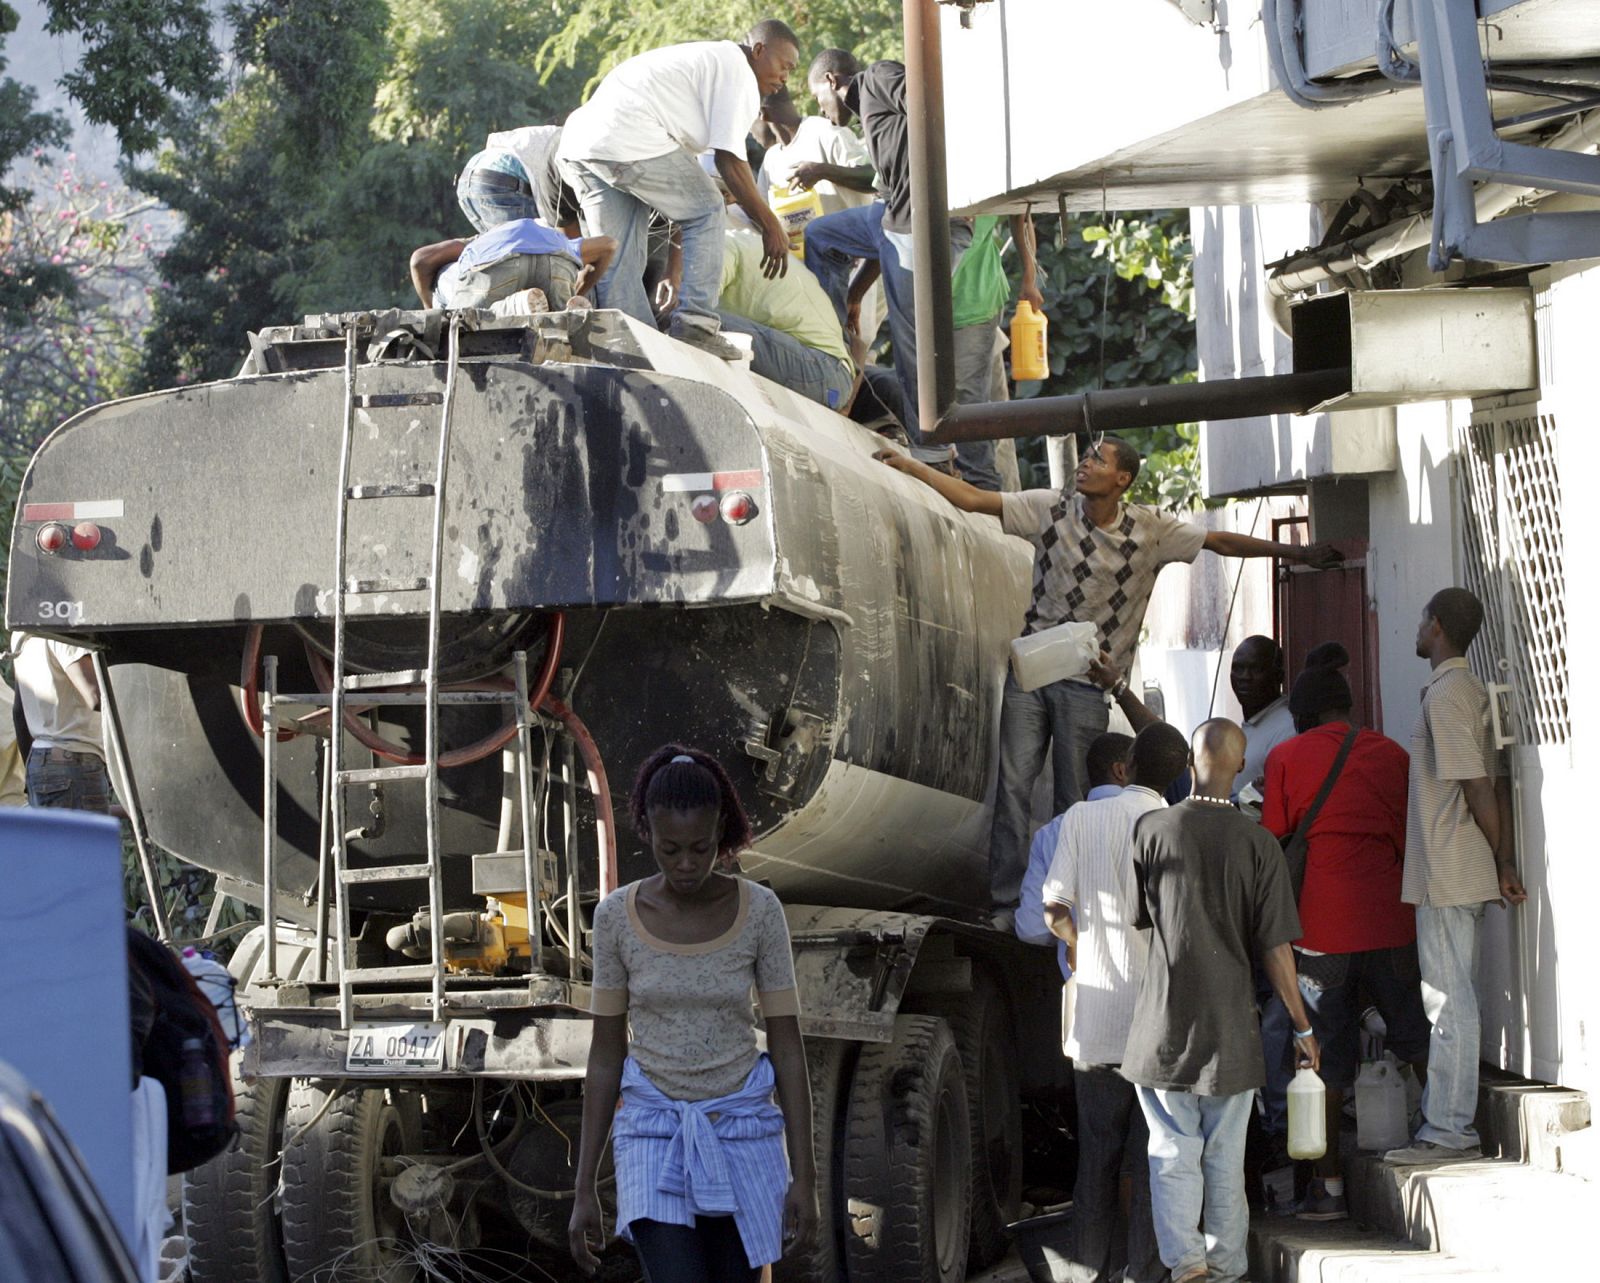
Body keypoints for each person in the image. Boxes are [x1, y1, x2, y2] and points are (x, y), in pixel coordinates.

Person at [874, 434, 1339, 919]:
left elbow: (1220, 541)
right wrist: (911, 466)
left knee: (1074, 798)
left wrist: (1298, 555)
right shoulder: (1050, 507)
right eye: (1086, 455)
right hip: (1030, 676)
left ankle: (1068, 902)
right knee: (1012, 788)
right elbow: (975, 500)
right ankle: (1008, 903)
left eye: (1098, 458)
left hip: (1087, 685)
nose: (1085, 462)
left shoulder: (1151, 529)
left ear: (1122, 479)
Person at [569, 746, 818, 1281]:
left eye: (700, 848)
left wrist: (806, 1177)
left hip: (741, 1131)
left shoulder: (761, 913)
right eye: (670, 849)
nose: (685, 864)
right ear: (646, 833)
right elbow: (606, 1055)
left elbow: (788, 1049)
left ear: (720, 833)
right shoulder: (614, 919)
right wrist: (584, 1185)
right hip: (653, 1132)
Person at [1122, 719, 1321, 1283]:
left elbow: (1142, 918)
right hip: (1231, 1033)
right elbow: (1276, 950)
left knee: (1171, 1152)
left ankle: (1187, 1267)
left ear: (1190, 763)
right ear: (1239, 766)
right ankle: (1227, 1269)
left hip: (1161, 1028)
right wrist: (1303, 1028)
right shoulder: (1259, 844)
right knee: (1224, 1159)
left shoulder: (1151, 829)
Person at [1261, 658, 1429, 1218]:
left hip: (1322, 931)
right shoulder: (1392, 755)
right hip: (1389, 920)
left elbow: (1275, 835)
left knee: (1322, 1057)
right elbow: (1407, 836)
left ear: (1301, 714)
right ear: (1348, 708)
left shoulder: (1286, 756)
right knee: (1414, 1035)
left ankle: (1327, 1186)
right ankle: (1446, 1134)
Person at [799, 57, 1000, 490]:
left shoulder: (878, 78)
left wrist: (956, 190)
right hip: (892, 220)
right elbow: (885, 223)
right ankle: (830, 350)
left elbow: (934, 107)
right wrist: (856, 293)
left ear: (832, 81)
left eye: (818, 98)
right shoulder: (877, 126)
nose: (821, 112)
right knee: (821, 235)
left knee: (913, 343)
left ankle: (932, 453)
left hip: (926, 226)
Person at [1042, 722, 1191, 1283]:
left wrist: (1081, 948)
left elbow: (1054, 909)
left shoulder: (1081, 818)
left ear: (1128, 764)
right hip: (1159, 1025)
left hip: (1097, 1021)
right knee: (1154, 1160)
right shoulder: (1176, 824)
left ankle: (1089, 1275)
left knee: (1096, 1160)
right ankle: (1147, 1273)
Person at [1384, 589, 1526, 1166]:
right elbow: (1495, 780)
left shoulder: (1446, 695)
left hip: (1447, 865)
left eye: (1422, 621)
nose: (1417, 630)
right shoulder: (1468, 691)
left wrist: (1503, 859)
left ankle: (1449, 1131)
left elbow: (1476, 784)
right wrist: (1501, 857)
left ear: (1436, 626)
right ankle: (1447, 1124)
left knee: (1447, 1002)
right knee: (1455, 997)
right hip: (1462, 864)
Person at [557, 22, 800, 356]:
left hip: (583, 144)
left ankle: (628, 348)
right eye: (785, 66)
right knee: (710, 207)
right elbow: (730, 163)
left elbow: (690, 186)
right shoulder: (739, 72)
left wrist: (674, 269)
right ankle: (697, 325)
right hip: (627, 135)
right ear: (759, 50)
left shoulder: (709, 66)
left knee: (619, 255)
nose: (785, 77)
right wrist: (770, 224)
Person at [1015, 731, 1133, 973]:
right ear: (1121, 771)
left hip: (1083, 980)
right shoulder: (1155, 823)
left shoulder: (1053, 832)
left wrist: (1073, 940)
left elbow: (1032, 928)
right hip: (1149, 985)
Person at [715, 224, 861, 409]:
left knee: (695, 319)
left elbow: (695, 316)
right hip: (829, 373)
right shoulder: (742, 241)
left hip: (821, 369)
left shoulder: (723, 245)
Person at [409, 218, 616, 312]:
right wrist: (578, 291)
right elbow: (609, 245)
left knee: (465, 323)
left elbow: (419, 259)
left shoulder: (482, 242)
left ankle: (515, 306)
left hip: (496, 264)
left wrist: (429, 309)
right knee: (560, 323)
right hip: (558, 261)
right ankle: (568, 313)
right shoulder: (551, 237)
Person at [11, 631, 110, 812]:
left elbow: (19, 711)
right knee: (87, 832)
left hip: (39, 758)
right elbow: (96, 697)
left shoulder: (21, 633)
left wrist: (35, 768)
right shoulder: (64, 632)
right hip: (75, 759)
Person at [455, 124, 564, 234]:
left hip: (469, 174)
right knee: (533, 242)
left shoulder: (557, 132)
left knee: (494, 242)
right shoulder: (568, 145)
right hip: (501, 179)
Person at [1229, 634, 1295, 816]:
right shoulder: (1250, 725)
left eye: (1256, 669)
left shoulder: (1287, 729)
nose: (1245, 677)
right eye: (1238, 668)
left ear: (1278, 676)